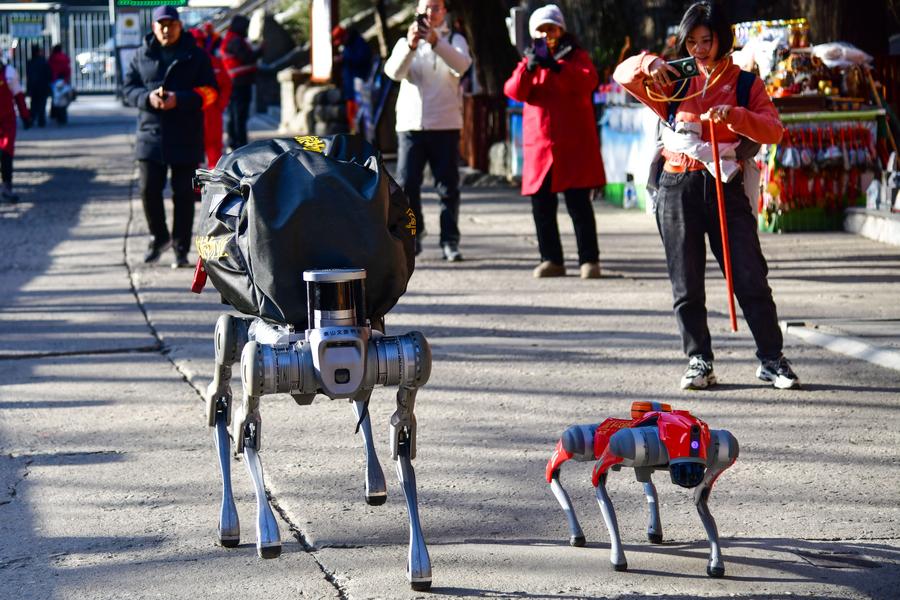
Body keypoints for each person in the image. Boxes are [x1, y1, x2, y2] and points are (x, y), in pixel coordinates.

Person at [613, 1, 799, 390]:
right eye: (692, 41)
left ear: (722, 39)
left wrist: (735, 116)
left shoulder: (746, 82)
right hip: (676, 183)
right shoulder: (672, 78)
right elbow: (622, 74)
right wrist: (648, 64)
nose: (699, 48)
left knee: (750, 275)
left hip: (724, 182)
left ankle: (771, 358)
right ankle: (699, 359)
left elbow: (773, 130)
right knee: (686, 281)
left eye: (707, 40)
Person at [503, 4, 606, 279]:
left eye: (552, 27)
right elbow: (513, 90)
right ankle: (551, 259)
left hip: (572, 146)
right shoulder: (529, 62)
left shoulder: (576, 57)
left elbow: (588, 81)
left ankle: (589, 260)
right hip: (541, 149)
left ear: (561, 30)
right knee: (542, 207)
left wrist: (557, 67)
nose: (547, 33)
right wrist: (529, 67)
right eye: (541, 29)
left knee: (579, 206)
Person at [122, 5, 218, 268]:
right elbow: (128, 89)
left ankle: (181, 247)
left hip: (185, 134)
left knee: (184, 195)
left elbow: (211, 92)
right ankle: (159, 237)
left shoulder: (196, 56)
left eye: (171, 24)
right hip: (150, 135)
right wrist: (147, 98)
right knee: (148, 190)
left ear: (179, 25)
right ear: (154, 27)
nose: (166, 29)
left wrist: (181, 100)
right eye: (161, 24)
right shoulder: (141, 55)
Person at [384, 0, 472, 261]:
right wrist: (411, 46)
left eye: (435, 8)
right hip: (411, 125)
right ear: (417, 13)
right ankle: (414, 233)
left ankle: (450, 240)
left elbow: (462, 65)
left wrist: (436, 41)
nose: (430, 14)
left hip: (444, 124)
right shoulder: (406, 40)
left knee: (447, 187)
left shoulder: (455, 39)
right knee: (407, 185)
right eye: (425, 9)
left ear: (444, 11)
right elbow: (394, 73)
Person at [191, 26, 232, 167]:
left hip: (212, 113)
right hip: (190, 115)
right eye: (194, 41)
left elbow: (226, 84)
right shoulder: (182, 64)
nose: (197, 44)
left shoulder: (214, 62)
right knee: (192, 157)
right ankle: (195, 189)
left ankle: (215, 186)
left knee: (215, 154)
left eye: (199, 41)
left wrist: (220, 105)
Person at [220, 15, 261, 151]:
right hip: (240, 83)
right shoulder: (236, 40)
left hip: (234, 82)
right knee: (239, 116)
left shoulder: (230, 39)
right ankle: (240, 145)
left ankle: (234, 143)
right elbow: (247, 57)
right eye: (245, 26)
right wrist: (261, 50)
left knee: (234, 115)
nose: (246, 29)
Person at [0, 54, 32, 204]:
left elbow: (19, 96)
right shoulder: (9, 72)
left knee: (6, 152)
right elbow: (19, 96)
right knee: (6, 152)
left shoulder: (9, 73)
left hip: (6, 122)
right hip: (7, 121)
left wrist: (25, 116)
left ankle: (7, 187)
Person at [332, 26, 372, 132]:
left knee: (361, 118)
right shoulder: (347, 46)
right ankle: (354, 138)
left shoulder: (359, 43)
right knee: (352, 118)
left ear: (345, 36)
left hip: (359, 89)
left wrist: (344, 59)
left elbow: (362, 60)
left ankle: (361, 140)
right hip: (350, 90)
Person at [26, 45, 52, 128]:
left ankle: (31, 119)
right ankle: (41, 120)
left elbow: (28, 76)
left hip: (33, 87)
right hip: (42, 87)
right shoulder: (43, 61)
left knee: (34, 104)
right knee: (42, 104)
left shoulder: (30, 62)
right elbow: (48, 74)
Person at [48, 44, 71, 125]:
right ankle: (63, 117)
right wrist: (66, 79)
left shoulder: (52, 58)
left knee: (56, 99)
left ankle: (56, 116)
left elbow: (50, 69)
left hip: (54, 81)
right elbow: (68, 70)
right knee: (63, 100)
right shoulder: (65, 58)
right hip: (63, 80)